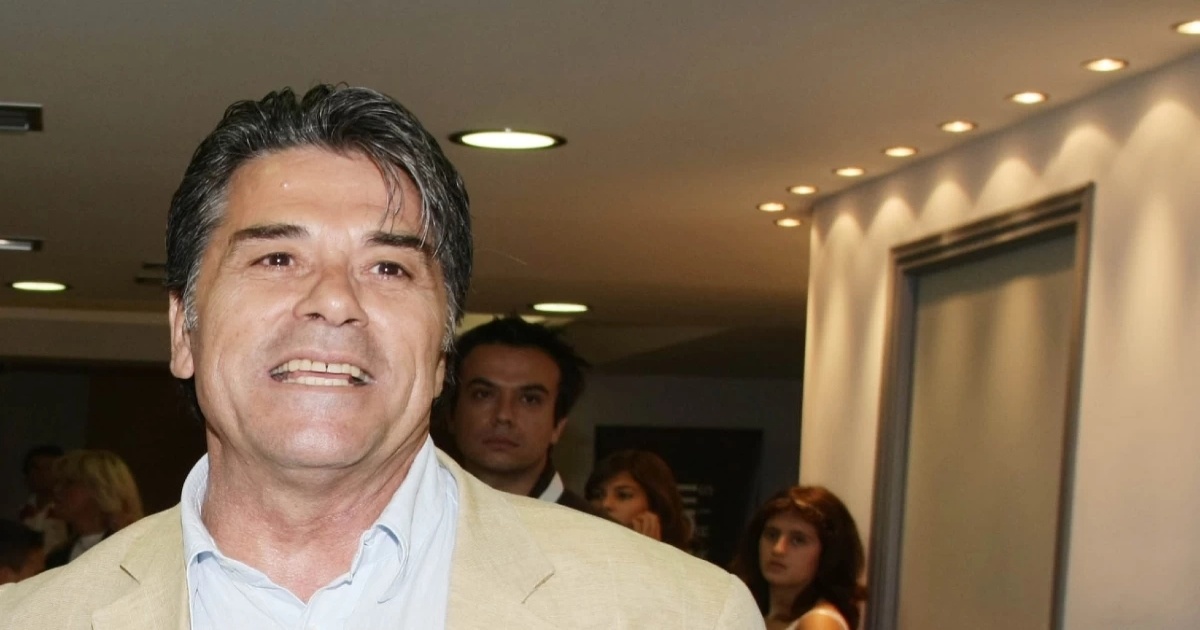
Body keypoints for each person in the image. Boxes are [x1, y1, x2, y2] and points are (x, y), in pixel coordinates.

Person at [0, 84, 762, 629]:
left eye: (389, 267)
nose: (334, 300)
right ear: (182, 332)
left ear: (442, 350)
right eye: (276, 258)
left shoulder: (680, 613)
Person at [446, 316, 598, 514]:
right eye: (483, 394)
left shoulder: (599, 531)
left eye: (530, 399)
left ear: (558, 426)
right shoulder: (417, 519)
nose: (503, 415)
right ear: (452, 414)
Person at [730, 486, 866, 630]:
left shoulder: (819, 623)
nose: (778, 549)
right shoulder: (748, 610)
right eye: (772, 535)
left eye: (798, 540)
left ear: (828, 554)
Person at [44, 450, 144, 568]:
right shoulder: (56, 557)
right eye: (58, 483)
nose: (57, 490)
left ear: (102, 490)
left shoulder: (134, 549)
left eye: (69, 483)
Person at [585, 449, 692, 551]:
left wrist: (650, 553)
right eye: (598, 495)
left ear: (655, 505)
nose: (605, 504)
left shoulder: (683, 562)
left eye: (623, 495)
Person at [16, 445, 68, 553]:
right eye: (35, 468)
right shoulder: (19, 512)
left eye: (48, 468)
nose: (41, 474)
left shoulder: (68, 511)